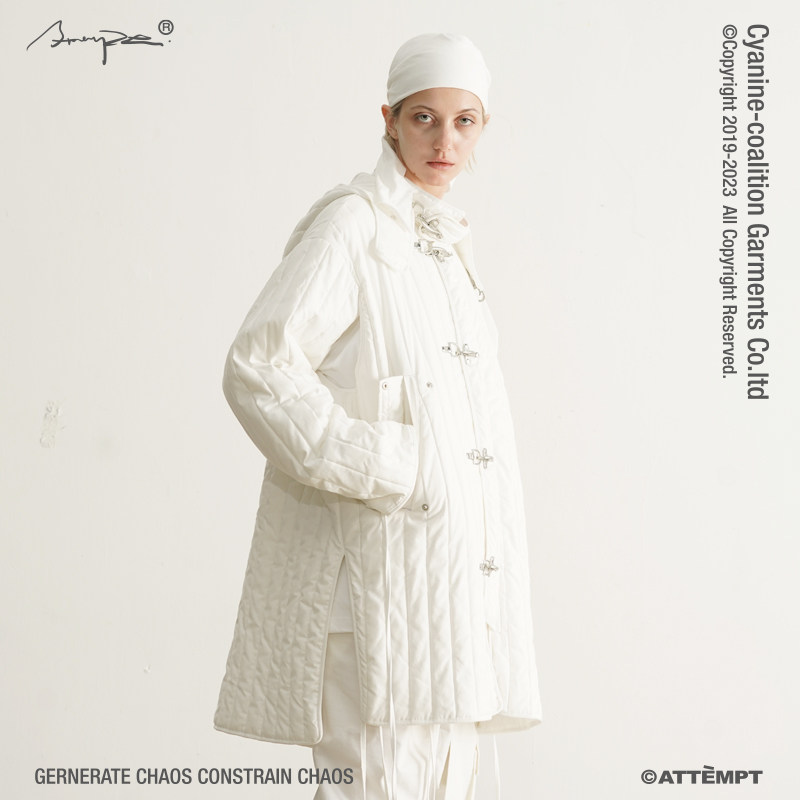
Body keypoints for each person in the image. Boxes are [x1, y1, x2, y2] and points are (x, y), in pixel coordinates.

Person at [214, 33, 542, 799]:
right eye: (425, 117)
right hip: (374, 593)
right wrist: (385, 464)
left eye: (464, 121)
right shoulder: (353, 226)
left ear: (483, 129)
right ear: (389, 119)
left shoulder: (447, 248)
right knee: (374, 784)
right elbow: (258, 365)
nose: (445, 141)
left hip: (452, 596)